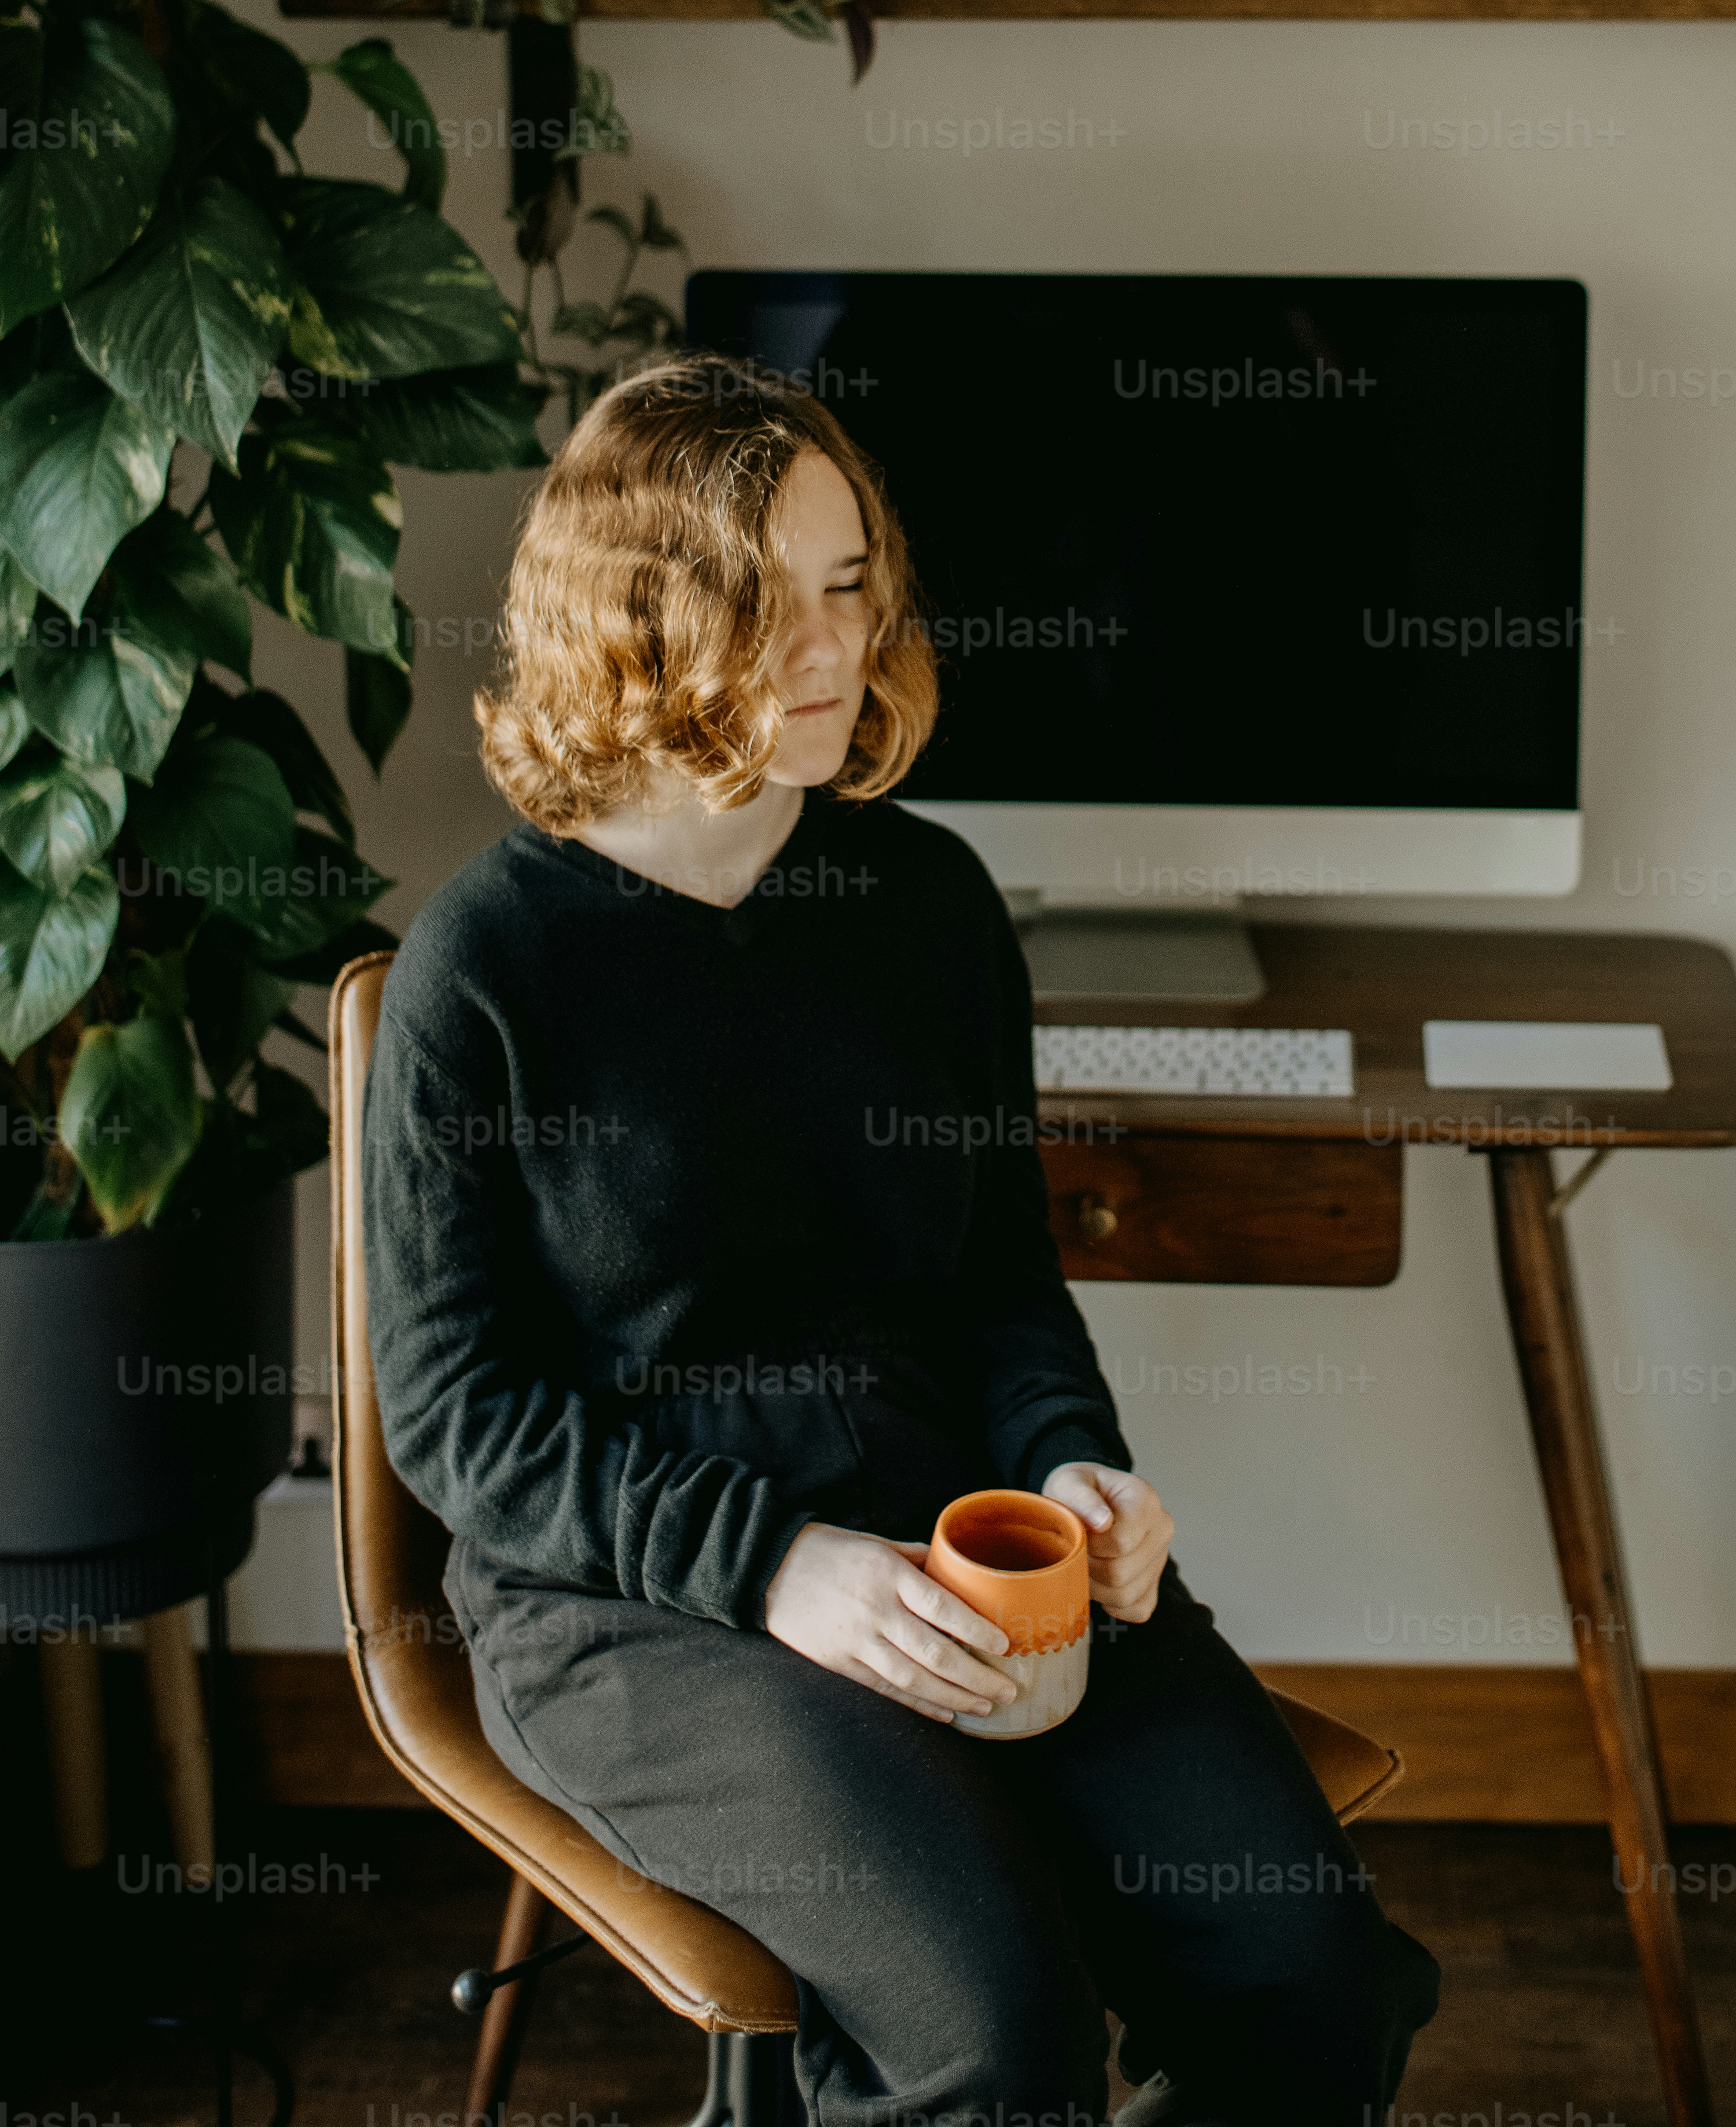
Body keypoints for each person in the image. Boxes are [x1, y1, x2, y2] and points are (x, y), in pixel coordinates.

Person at [362, 356, 1439, 2127]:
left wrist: (1074, 1460)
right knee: (996, 2036)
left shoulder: (926, 903)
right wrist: (780, 1564)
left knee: (1307, 1970)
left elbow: (1001, 1279)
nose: (826, 643)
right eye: (759, 594)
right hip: (639, 1602)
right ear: (630, 615)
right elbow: (461, 1417)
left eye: (848, 581)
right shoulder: (487, 966)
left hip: (956, 1532)